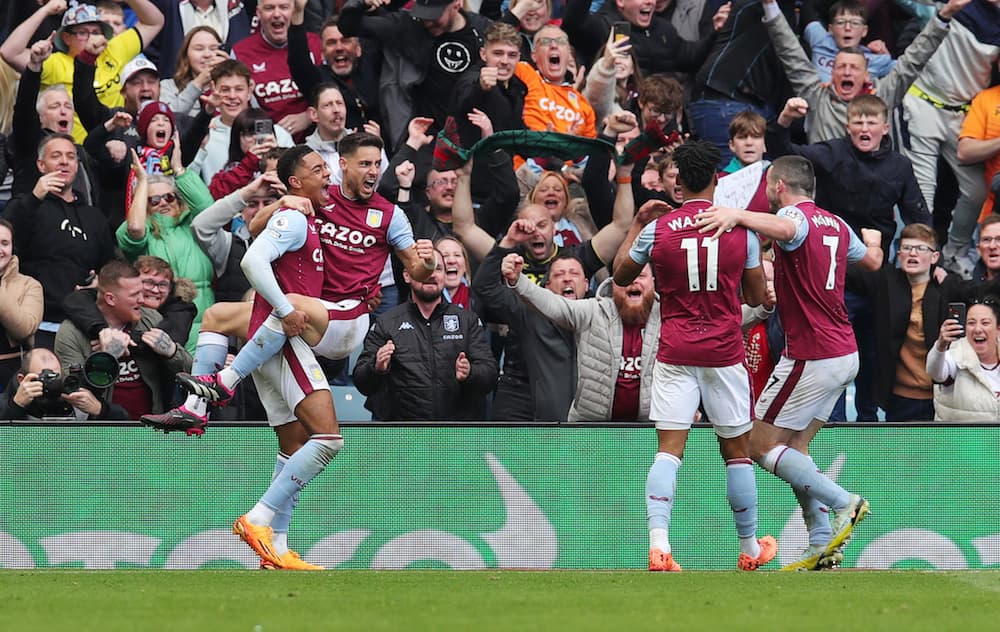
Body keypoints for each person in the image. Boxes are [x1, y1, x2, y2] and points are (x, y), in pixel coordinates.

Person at [145, 135, 438, 432]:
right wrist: (281, 202)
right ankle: (195, 408)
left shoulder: (390, 215)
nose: (374, 171)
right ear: (343, 165)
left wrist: (428, 263)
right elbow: (254, 227)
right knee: (216, 315)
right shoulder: (320, 198)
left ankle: (227, 380)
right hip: (305, 312)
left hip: (341, 318)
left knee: (324, 432)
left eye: (377, 163)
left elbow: (417, 269)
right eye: (365, 163)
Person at [695, 154, 883, 571]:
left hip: (812, 354)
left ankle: (844, 502)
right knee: (794, 449)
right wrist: (874, 240)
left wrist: (736, 214)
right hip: (843, 353)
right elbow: (871, 262)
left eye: (767, 186)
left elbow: (786, 227)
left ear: (779, 186)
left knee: (758, 445)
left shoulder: (794, 219)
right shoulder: (836, 224)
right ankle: (820, 540)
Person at [612, 139, 774, 572]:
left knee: (668, 451)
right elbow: (758, 296)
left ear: (678, 182)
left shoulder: (658, 230)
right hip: (723, 350)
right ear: (718, 180)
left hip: (675, 349)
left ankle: (659, 546)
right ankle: (750, 549)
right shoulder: (741, 232)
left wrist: (641, 235)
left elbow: (621, 274)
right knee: (737, 453)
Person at [760, 0, 963, 144]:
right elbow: (789, 50)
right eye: (840, 67)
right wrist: (769, 4)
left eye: (854, 67)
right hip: (826, 194)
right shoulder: (818, 95)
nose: (847, 72)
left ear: (867, 75)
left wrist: (944, 15)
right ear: (831, 73)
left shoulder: (881, 94)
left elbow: (914, 60)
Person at [500, 241, 661, 421]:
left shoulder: (668, 317)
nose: (633, 280)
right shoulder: (594, 311)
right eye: (625, 276)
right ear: (613, 283)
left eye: (640, 275)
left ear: (653, 282)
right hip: (590, 428)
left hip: (649, 429)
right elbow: (554, 304)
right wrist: (518, 280)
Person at [3, 133, 117, 350]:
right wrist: (34, 197)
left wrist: (101, 284)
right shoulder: (25, 205)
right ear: (41, 165)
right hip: (38, 323)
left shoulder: (94, 216)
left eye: (71, 156)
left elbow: (108, 266)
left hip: (84, 323)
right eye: (56, 156)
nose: (65, 161)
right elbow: (6, 241)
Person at [354, 249, 498, 420]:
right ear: (407, 275)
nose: (431, 274)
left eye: (437, 269)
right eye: (424, 268)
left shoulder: (467, 321)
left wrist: (470, 373)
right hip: (402, 434)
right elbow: (361, 382)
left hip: (456, 433)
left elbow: (490, 375)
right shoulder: (387, 322)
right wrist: (376, 367)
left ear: (444, 276)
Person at [0, 0, 165, 144]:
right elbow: (9, 52)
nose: (91, 38)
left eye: (96, 32)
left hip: (115, 145)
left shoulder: (114, 50)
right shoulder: (56, 63)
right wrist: (46, 10)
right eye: (83, 32)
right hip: (74, 151)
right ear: (66, 38)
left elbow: (154, 22)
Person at [338, 0, 492, 149]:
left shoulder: (481, 29)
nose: (428, 22)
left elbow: (510, 47)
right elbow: (348, 26)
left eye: (434, 16)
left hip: (473, 132)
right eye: (424, 15)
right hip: (425, 137)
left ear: (456, 4)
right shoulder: (409, 26)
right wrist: (361, 2)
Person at [54, 260, 193, 420]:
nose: (142, 299)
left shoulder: (151, 319)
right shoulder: (71, 332)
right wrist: (105, 359)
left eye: (141, 292)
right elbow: (74, 391)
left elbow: (191, 373)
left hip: (151, 428)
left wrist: (172, 352)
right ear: (111, 299)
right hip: (102, 429)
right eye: (135, 295)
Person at [120, 147, 216, 352]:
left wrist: (179, 171)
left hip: (206, 321)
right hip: (161, 323)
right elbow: (135, 227)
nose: (163, 202)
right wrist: (143, 182)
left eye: (169, 197)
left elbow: (210, 208)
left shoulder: (192, 225)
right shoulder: (140, 229)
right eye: (154, 200)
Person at [231, 0, 322, 142]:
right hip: (265, 143)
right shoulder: (240, 52)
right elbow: (237, 108)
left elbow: (334, 93)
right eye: (269, 8)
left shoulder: (315, 43)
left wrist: (310, 116)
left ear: (294, 10)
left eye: (284, 7)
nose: (277, 14)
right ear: (258, 13)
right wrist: (274, 133)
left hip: (315, 139)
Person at [0, 348, 129, 420]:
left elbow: (126, 428)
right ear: (22, 380)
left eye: (55, 376)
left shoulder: (73, 395)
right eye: (44, 377)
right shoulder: (7, 402)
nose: (51, 383)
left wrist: (100, 410)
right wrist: (15, 406)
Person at [927, 299, 1000, 420]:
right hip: (961, 438)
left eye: (985, 323)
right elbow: (934, 372)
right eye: (971, 323)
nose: (977, 329)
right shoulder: (955, 356)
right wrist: (940, 345)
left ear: (998, 329)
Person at [803, 0, 896, 84]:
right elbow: (808, 8)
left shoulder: (877, 59)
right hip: (818, 100)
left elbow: (906, 71)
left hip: (857, 102)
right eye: (840, 22)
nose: (847, 28)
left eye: (855, 23)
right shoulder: (820, 40)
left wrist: (887, 56)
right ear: (830, 29)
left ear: (864, 31)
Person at [0, 220, 44, 388]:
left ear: (12, 249)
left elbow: (24, 329)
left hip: (9, 375)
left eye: (4, 243)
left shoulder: (29, 285)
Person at [158, 25, 229, 118]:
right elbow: (168, 118)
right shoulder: (168, 86)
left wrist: (230, 72)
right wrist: (198, 83)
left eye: (213, 49)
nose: (207, 55)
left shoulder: (232, 87)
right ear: (186, 55)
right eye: (199, 49)